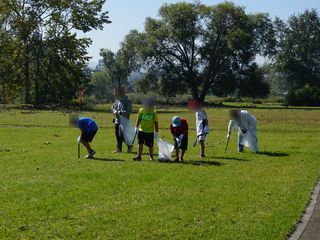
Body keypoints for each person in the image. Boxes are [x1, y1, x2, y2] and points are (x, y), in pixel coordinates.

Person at [111, 87, 133, 153]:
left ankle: (129, 145)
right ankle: (119, 149)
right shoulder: (117, 101)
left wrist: (120, 112)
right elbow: (112, 108)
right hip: (117, 120)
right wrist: (115, 111)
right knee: (117, 135)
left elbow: (129, 111)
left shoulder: (128, 101)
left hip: (124, 121)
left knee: (121, 135)